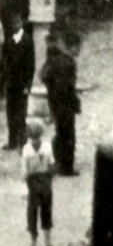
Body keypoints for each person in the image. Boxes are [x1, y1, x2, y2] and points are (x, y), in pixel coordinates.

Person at [40, 31, 82, 176]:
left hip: (55, 102)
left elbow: (44, 76)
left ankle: (57, 160)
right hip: (65, 104)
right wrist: (74, 99)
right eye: (78, 48)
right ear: (73, 47)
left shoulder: (55, 59)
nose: (79, 51)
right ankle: (66, 167)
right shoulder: (69, 62)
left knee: (61, 132)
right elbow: (66, 87)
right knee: (68, 136)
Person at [21, 118, 56, 246]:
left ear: (28, 134)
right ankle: (48, 241)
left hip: (33, 182)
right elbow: (52, 164)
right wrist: (51, 177)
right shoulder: (47, 146)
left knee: (33, 211)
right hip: (46, 180)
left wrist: (24, 182)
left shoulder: (26, 149)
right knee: (47, 210)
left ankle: (34, 242)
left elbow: (24, 170)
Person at [3, 15, 35, 151]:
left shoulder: (28, 41)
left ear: (21, 23)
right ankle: (12, 141)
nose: (14, 26)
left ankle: (22, 141)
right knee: (11, 112)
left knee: (21, 113)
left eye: (17, 23)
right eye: (12, 23)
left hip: (22, 83)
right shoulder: (9, 42)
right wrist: (5, 82)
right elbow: (5, 64)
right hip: (11, 83)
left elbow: (31, 64)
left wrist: (28, 85)